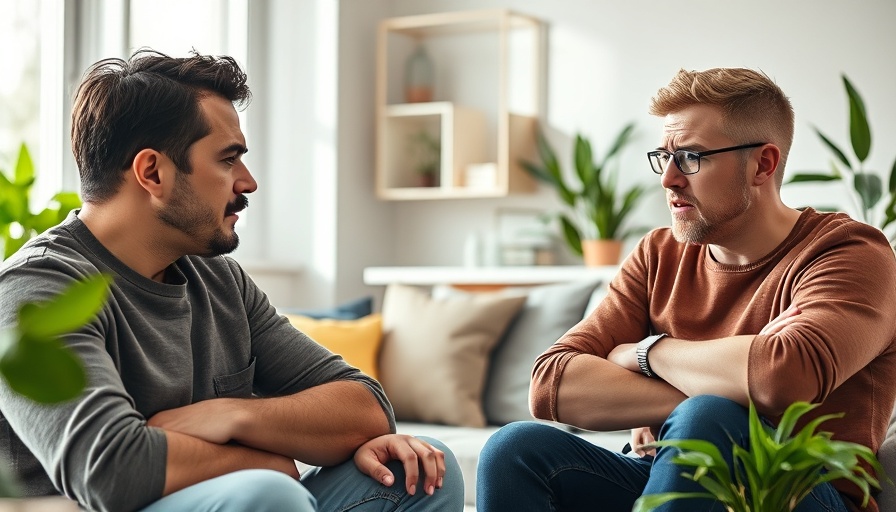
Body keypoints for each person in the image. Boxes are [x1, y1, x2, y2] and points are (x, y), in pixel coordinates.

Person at [0, 49, 464, 512]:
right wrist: (268, 462)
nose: (248, 182)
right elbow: (111, 471)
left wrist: (229, 414)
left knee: (421, 472)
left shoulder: (217, 277)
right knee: (270, 492)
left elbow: (367, 408)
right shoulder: (39, 291)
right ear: (152, 172)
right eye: (228, 160)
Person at [477, 67, 896, 511]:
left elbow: (783, 377)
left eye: (692, 157)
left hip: (795, 491)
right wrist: (729, 382)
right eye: (664, 156)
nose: (669, 179)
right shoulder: (659, 253)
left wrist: (644, 353)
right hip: (664, 474)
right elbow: (550, 385)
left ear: (763, 163)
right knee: (515, 449)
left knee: (708, 418)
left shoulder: (849, 250)